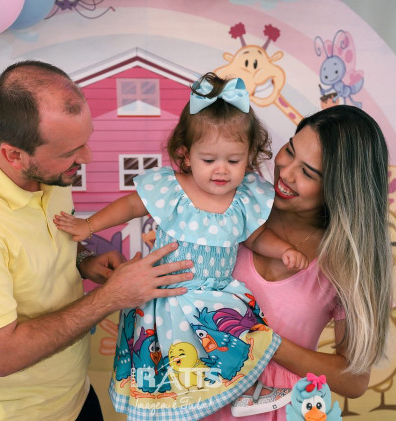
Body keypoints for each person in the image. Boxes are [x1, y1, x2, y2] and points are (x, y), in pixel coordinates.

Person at [0, 60, 195, 421]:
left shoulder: (45, 171)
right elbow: (3, 355)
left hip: (73, 396)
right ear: (14, 154)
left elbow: (30, 249)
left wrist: (83, 260)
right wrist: (112, 296)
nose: (87, 157)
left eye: (85, 141)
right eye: (69, 152)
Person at [53, 72, 308, 420]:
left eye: (233, 161)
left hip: (217, 297)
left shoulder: (242, 198)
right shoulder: (172, 188)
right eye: (209, 160)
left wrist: (283, 250)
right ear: (186, 156)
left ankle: (245, 392)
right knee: (169, 364)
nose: (221, 170)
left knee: (240, 341)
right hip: (167, 296)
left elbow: (255, 236)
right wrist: (89, 225)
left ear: (249, 156)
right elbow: (131, 205)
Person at [204, 104, 394, 420]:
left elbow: (353, 380)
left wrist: (266, 343)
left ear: (338, 189)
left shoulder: (346, 263)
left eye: (308, 172)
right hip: (192, 401)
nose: (286, 173)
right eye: (290, 151)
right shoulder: (235, 203)